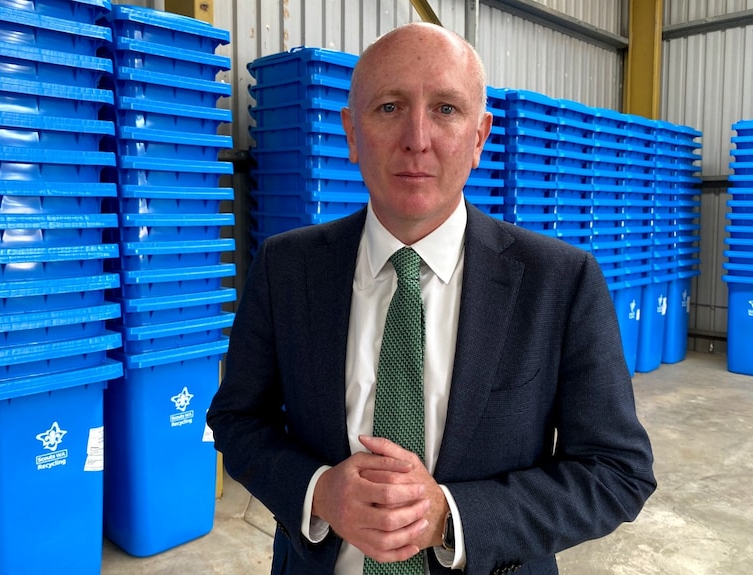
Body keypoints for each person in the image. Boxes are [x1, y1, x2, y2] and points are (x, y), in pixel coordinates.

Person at [207, 22, 655, 575]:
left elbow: (617, 470)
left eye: (445, 108)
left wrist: (452, 515)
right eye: (389, 107)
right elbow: (236, 419)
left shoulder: (560, 282)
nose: (417, 137)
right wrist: (319, 493)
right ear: (351, 133)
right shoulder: (286, 267)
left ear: (480, 137)